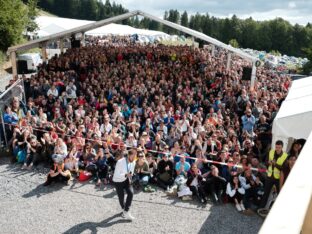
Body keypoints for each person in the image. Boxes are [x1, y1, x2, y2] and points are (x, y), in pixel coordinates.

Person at [258, 140, 288, 214]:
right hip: (270, 176)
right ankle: (261, 208)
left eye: (279, 147)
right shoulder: (271, 152)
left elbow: (284, 168)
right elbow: (265, 162)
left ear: (282, 147)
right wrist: (268, 163)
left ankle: (279, 211)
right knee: (266, 193)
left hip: (278, 178)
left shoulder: (285, 156)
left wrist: (275, 164)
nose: (277, 148)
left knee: (279, 194)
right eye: (276, 147)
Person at [112, 149, 136, 220]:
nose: (134, 158)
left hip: (126, 180)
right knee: (121, 197)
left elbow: (131, 171)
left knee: (131, 193)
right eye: (132, 156)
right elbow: (117, 174)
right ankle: (123, 209)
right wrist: (126, 174)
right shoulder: (120, 162)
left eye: (135, 156)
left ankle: (126, 211)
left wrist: (130, 177)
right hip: (118, 181)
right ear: (128, 155)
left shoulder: (133, 162)